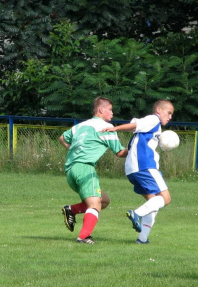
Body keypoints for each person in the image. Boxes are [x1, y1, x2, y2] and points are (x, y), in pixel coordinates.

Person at [103, 99, 174, 244]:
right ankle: (137, 214)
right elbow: (135, 125)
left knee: (153, 203)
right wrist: (116, 129)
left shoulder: (144, 131)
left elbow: (134, 133)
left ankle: (142, 239)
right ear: (159, 110)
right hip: (145, 166)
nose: (170, 117)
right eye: (169, 113)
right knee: (165, 198)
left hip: (132, 170)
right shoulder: (154, 119)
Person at [59, 96, 128, 244]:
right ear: (101, 109)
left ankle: (71, 209)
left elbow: (62, 138)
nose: (112, 113)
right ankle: (83, 237)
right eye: (110, 109)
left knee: (104, 200)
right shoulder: (106, 129)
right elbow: (120, 153)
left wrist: (73, 151)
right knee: (95, 204)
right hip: (85, 168)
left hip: (71, 169)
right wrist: (137, 150)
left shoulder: (80, 125)